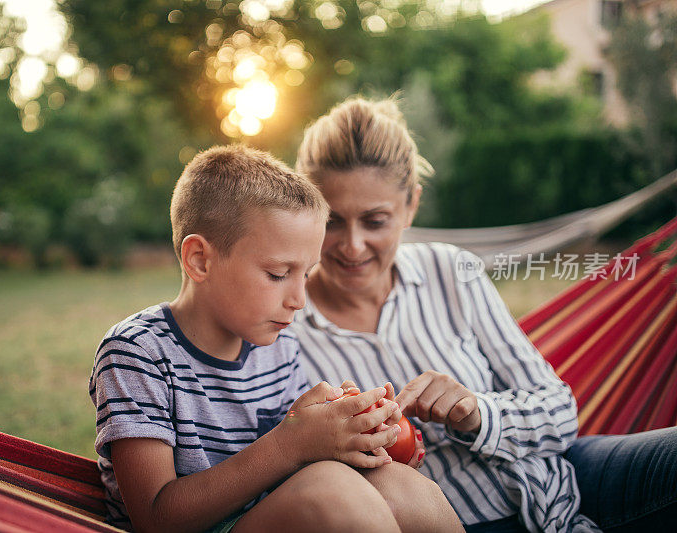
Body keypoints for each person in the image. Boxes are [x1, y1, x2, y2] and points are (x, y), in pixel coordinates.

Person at [290, 97, 677, 532]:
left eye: (375, 221)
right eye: (332, 221)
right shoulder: (285, 327)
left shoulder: (452, 270)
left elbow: (560, 410)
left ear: (411, 205)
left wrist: (477, 413)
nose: (353, 245)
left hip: (562, 482)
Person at [88, 145, 464, 533]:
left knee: (403, 486)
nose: (299, 299)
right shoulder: (137, 352)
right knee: (331, 493)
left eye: (305, 274)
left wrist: (351, 439)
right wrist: (293, 443)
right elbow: (156, 518)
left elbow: (298, 460)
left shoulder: (280, 348)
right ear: (200, 260)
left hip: (267, 515)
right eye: (278, 273)